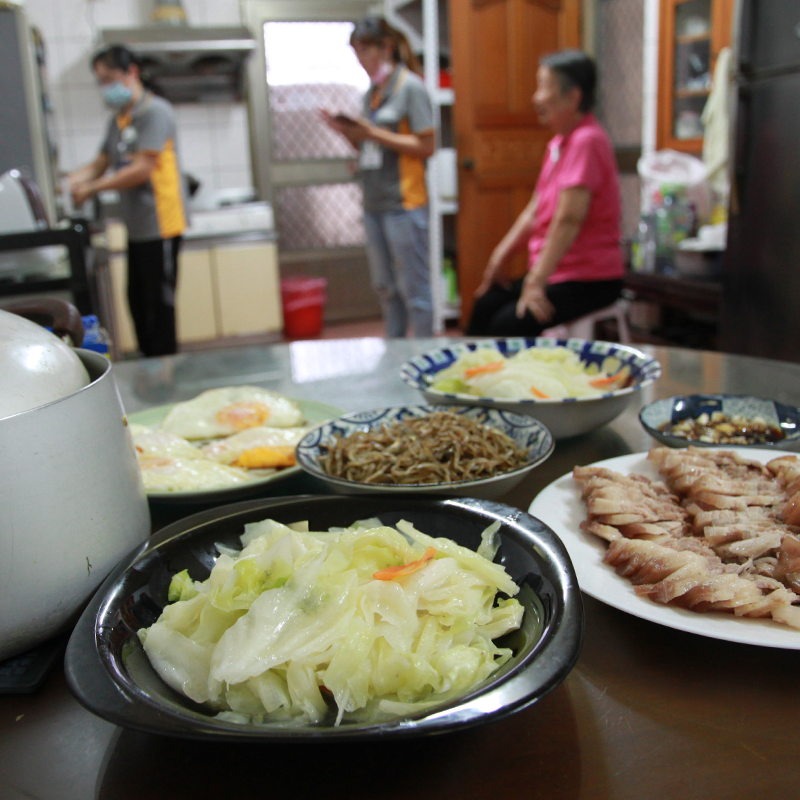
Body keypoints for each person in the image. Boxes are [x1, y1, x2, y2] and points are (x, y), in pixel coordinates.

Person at [467, 49, 624, 337]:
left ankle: (511, 382)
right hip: (558, 273)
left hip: (590, 278)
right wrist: (498, 258)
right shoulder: (558, 144)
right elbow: (534, 210)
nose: (536, 98)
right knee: (485, 304)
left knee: (507, 325)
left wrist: (535, 282)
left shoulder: (587, 141)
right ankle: (470, 379)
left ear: (573, 96)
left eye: (544, 87)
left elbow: (568, 220)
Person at [69, 44, 188, 357]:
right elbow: (100, 162)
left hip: (160, 223)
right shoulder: (120, 119)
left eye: (109, 78)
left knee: (158, 307)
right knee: (136, 301)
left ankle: (164, 371)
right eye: (101, 81)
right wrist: (70, 181)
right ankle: (151, 368)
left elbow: (141, 169)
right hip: (136, 227)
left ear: (132, 72)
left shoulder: (155, 112)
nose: (106, 87)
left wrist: (92, 188)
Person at [321, 16, 435, 338]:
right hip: (374, 202)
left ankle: (424, 354)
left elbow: (428, 145)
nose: (361, 60)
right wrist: (348, 133)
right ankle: (395, 355)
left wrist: (371, 132)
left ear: (386, 47)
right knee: (385, 288)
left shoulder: (410, 87)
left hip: (404, 202)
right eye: (356, 53)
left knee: (416, 291)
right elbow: (369, 145)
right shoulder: (370, 93)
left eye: (365, 51)